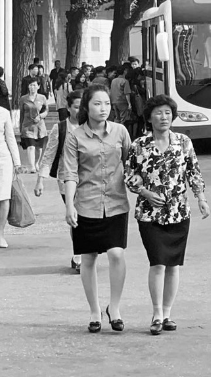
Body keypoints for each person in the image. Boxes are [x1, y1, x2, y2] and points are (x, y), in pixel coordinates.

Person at [124, 95, 211, 336]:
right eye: (159, 113)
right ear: (149, 117)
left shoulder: (183, 142)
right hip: (150, 214)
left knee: (173, 265)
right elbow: (129, 175)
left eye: (167, 113)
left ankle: (168, 313)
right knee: (158, 262)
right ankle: (156, 314)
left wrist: (201, 198)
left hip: (179, 212)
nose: (164, 117)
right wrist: (145, 192)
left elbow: (194, 172)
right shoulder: (139, 145)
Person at [60, 84, 132, 333]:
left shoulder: (121, 132)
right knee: (88, 258)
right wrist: (70, 205)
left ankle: (115, 307)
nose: (103, 109)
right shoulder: (75, 136)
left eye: (107, 104)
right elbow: (70, 172)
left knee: (116, 254)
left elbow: (131, 164)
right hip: (87, 204)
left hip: (116, 203)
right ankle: (94, 311)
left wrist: (139, 184)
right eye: (97, 104)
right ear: (86, 107)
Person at [36, 90, 83, 270]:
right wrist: (40, 180)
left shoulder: (92, 126)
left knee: (88, 217)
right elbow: (48, 155)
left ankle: (87, 252)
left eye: (83, 106)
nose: (80, 110)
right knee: (76, 216)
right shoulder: (61, 128)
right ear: (69, 108)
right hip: (66, 180)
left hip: (89, 179)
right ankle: (78, 254)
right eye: (76, 107)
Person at [0, 99, 20, 249]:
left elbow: (11, 139)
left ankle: (0, 233)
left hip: (3, 160)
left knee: (4, 196)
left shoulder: (4, 113)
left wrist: (17, 162)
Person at [18, 77, 49, 173]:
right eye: (30, 85)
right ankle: (32, 166)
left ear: (38, 86)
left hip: (39, 127)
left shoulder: (42, 98)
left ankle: (36, 163)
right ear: (28, 86)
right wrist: (20, 127)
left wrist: (40, 116)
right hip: (27, 127)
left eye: (34, 85)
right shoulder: (23, 99)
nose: (32, 87)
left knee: (38, 149)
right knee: (30, 146)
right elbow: (21, 113)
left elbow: (46, 110)